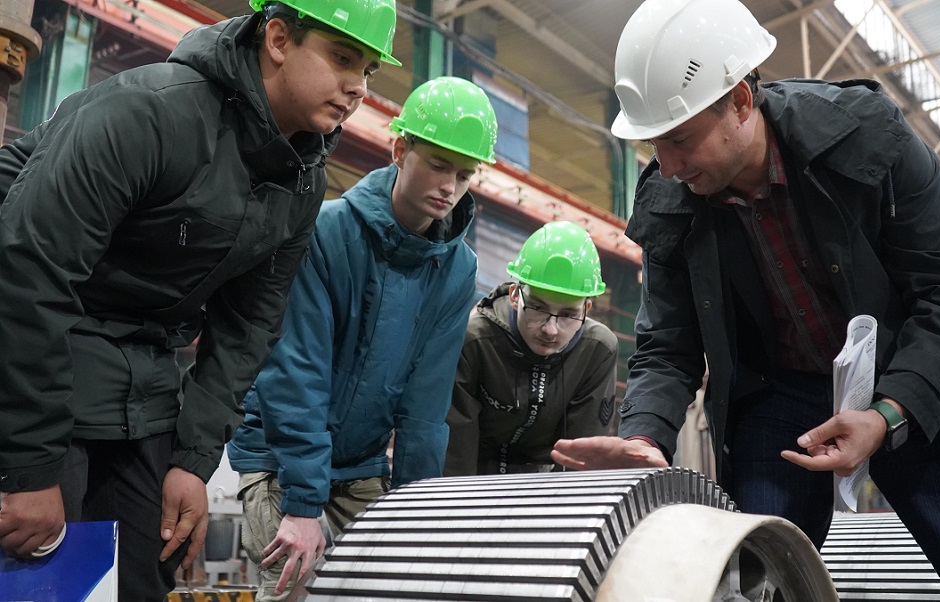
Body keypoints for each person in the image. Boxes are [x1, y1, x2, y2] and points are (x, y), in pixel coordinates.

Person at [551, 0, 940, 600]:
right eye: (653, 147)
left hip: (907, 376)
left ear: (741, 102)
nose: (665, 167)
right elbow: (668, 346)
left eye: (680, 139)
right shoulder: (669, 203)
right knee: (753, 578)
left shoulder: (869, 138)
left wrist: (887, 414)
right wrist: (646, 435)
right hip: (780, 395)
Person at [0, 0, 399, 599]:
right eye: (342, 58)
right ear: (279, 38)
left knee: (146, 571)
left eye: (369, 69)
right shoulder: (147, 113)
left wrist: (192, 459)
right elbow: (28, 273)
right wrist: (26, 468)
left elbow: (249, 328)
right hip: (37, 367)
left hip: (145, 386)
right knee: (38, 578)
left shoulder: (302, 181)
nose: (356, 87)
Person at [226, 75, 497, 600]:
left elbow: (426, 401)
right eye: (439, 165)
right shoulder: (327, 232)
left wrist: (415, 508)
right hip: (282, 454)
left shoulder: (458, 268)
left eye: (465, 175)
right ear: (400, 149)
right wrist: (304, 505)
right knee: (292, 585)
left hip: (363, 461)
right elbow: (297, 369)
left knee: (401, 585)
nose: (450, 186)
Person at [444, 221, 618, 476]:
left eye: (568, 314)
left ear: (586, 310)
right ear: (515, 295)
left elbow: (583, 462)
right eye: (537, 308)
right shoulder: (473, 342)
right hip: (476, 479)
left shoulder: (598, 351)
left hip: (548, 486)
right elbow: (456, 456)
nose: (551, 330)